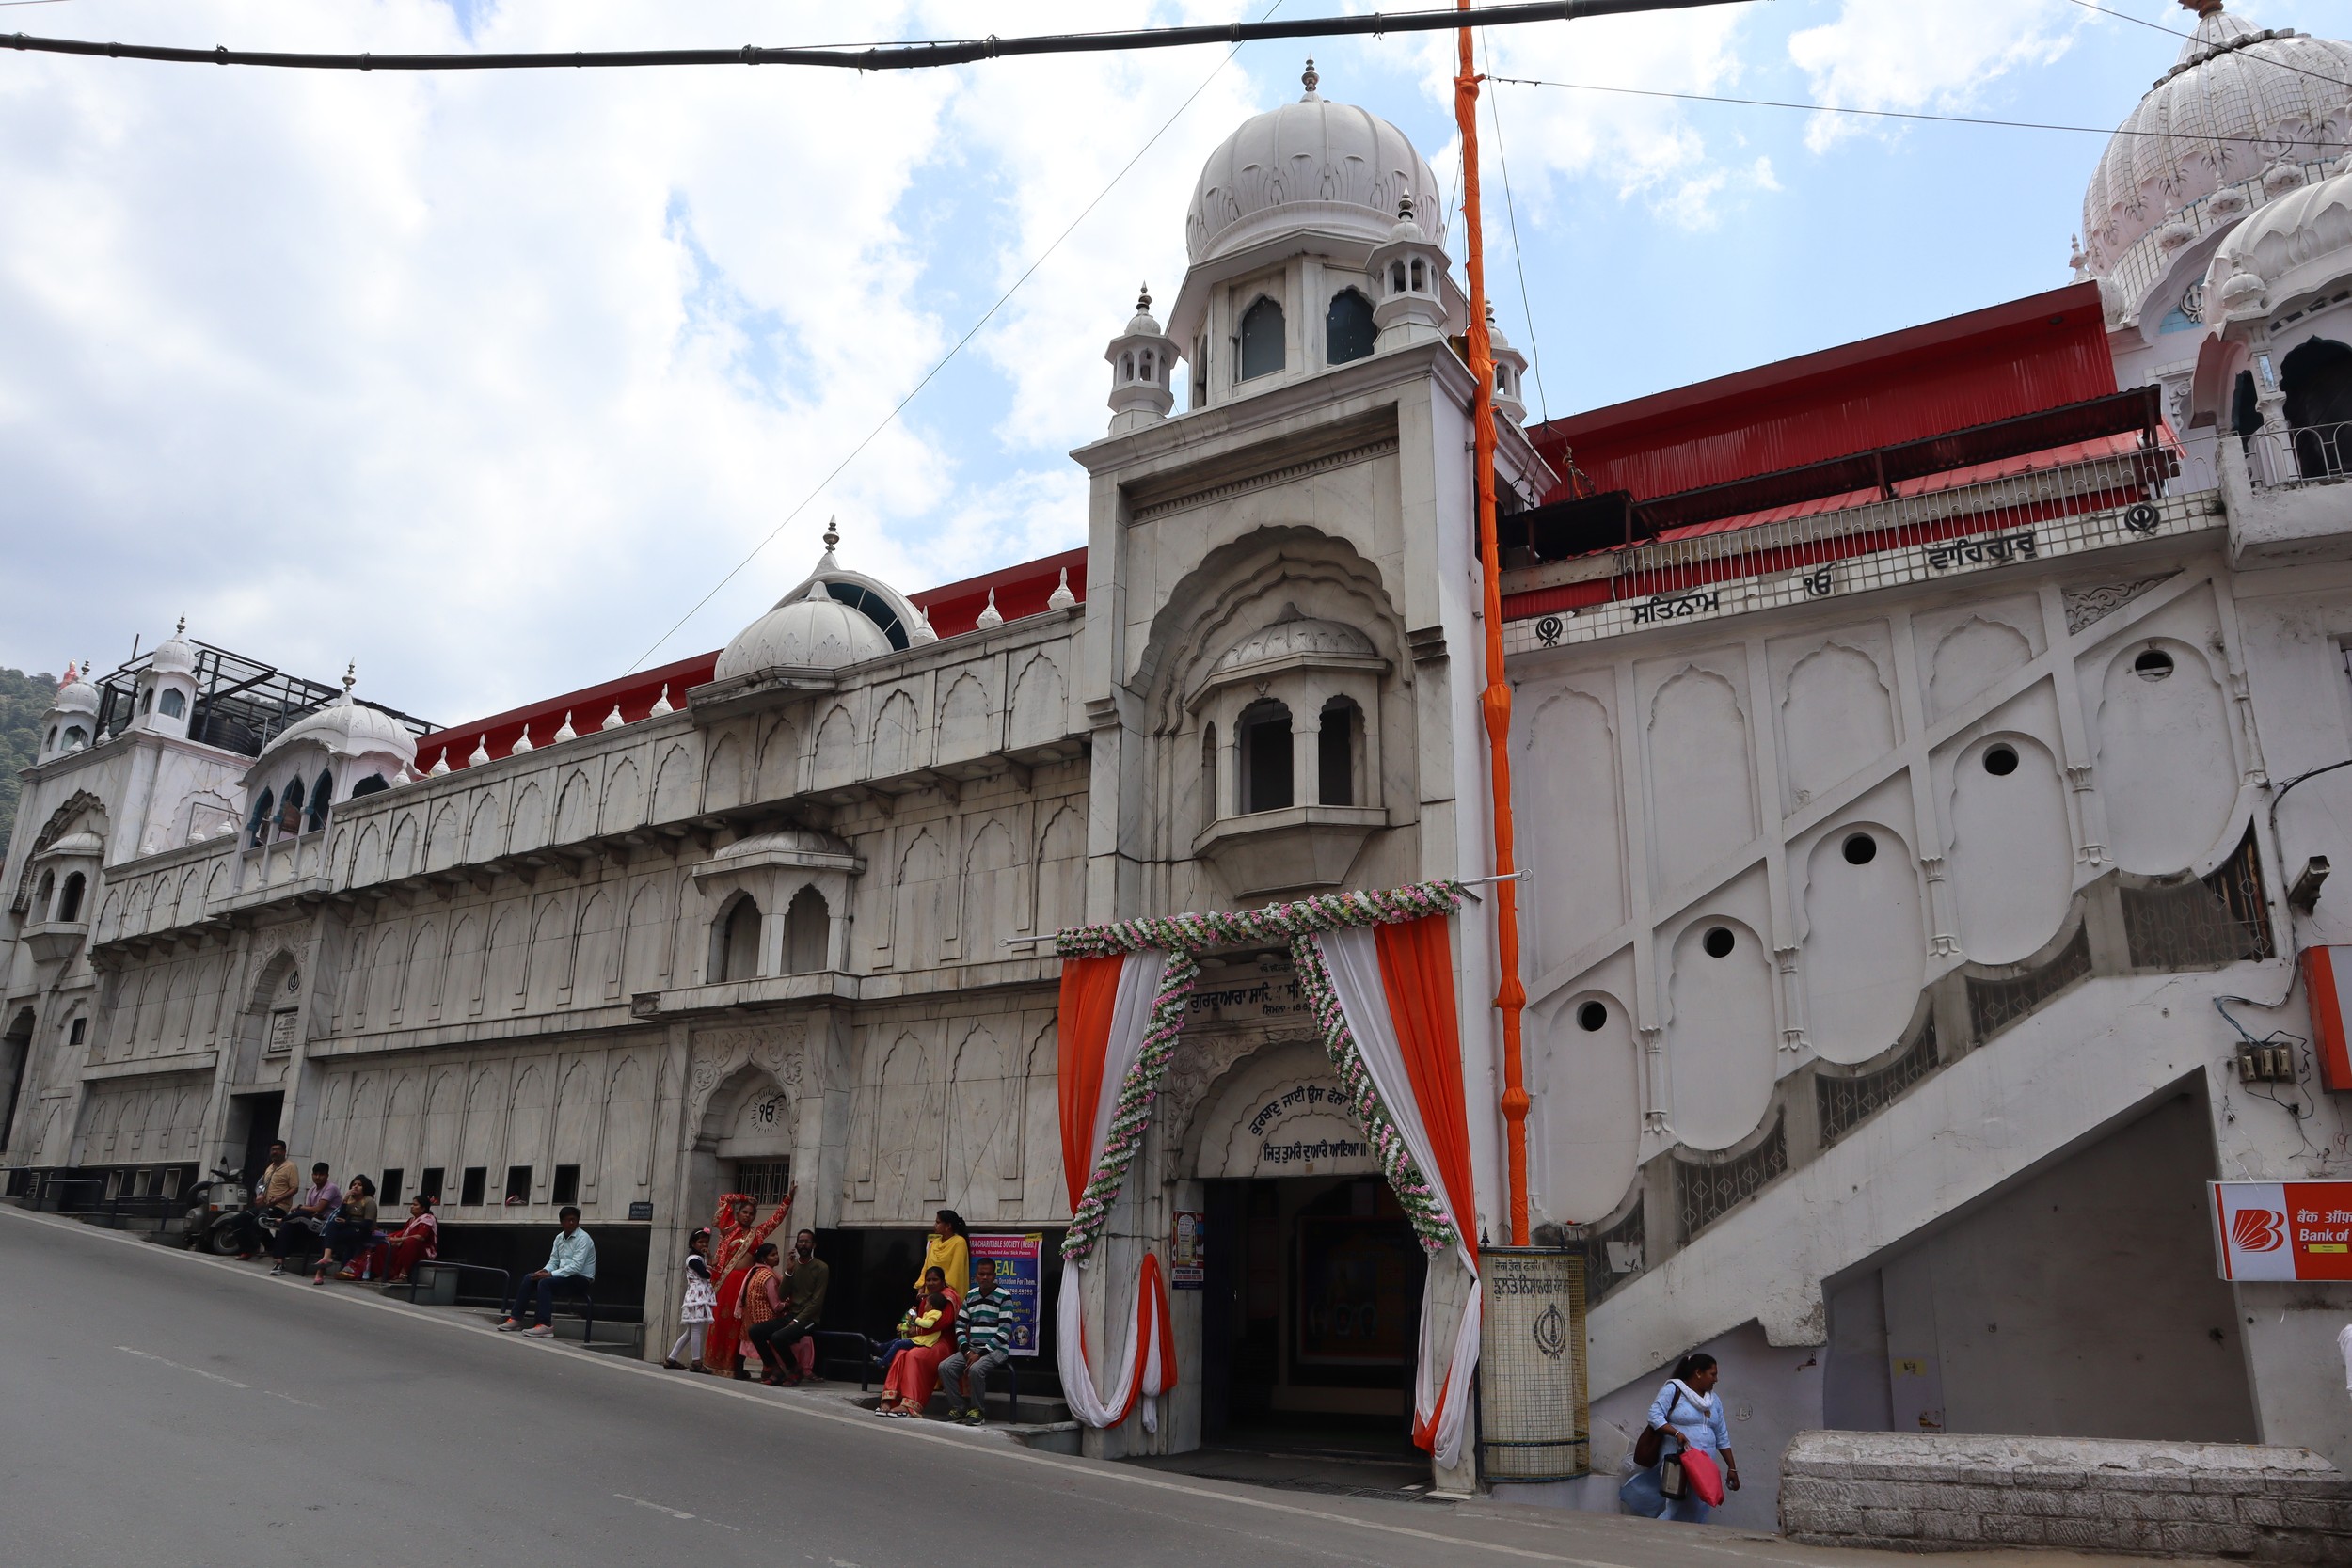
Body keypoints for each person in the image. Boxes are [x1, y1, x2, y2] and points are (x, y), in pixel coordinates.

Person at [1619, 1353, 1740, 1523]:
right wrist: (1676, 1433)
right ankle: (1662, 1537)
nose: (1716, 1379)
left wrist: (1732, 1468)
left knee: (1700, 1505)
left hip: (1704, 1466)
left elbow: (1722, 1435)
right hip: (1678, 1462)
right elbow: (1655, 1416)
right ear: (1698, 1373)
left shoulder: (1715, 1401)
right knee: (1675, 1503)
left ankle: (1690, 1541)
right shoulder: (1673, 1390)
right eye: (1712, 1374)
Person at [706, 1189, 793, 1379]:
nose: (748, 1216)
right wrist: (745, 1198)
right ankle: (714, 1363)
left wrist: (787, 1199)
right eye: (745, 1212)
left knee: (742, 1327)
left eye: (752, 1213)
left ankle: (736, 1366)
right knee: (722, 1321)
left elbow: (776, 1219)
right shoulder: (727, 1228)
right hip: (727, 1282)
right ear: (737, 1214)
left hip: (747, 1284)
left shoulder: (758, 1233)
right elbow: (723, 1198)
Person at [497, 1207, 596, 1338]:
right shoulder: (559, 1238)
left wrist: (550, 1275)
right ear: (562, 1222)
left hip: (581, 1279)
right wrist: (545, 1270)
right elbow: (554, 1261)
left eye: (574, 1220)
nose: (572, 1223)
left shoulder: (584, 1239)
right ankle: (516, 1319)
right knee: (529, 1278)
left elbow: (576, 1266)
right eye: (568, 1220)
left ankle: (545, 1325)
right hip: (563, 1277)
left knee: (545, 1283)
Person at [939, 1256, 1013, 1426]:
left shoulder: (1004, 1296)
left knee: (975, 1369)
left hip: (997, 1350)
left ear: (995, 1276)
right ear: (976, 1276)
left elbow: (1004, 1331)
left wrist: (980, 1354)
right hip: (972, 1349)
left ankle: (977, 1411)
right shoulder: (971, 1295)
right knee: (945, 1367)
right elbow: (959, 1326)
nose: (985, 1277)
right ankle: (959, 1408)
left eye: (988, 1274)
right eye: (981, 1274)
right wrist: (967, 1351)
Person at [748, 1229, 829, 1386]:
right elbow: (782, 1294)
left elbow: (816, 1302)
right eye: (800, 1241)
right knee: (755, 1331)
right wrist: (789, 1272)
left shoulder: (821, 1268)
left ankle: (794, 1370)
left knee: (778, 1337)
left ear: (814, 1245)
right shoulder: (794, 1266)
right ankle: (775, 1368)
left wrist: (797, 1319)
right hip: (791, 1315)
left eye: (807, 1241)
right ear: (796, 1245)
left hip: (809, 1319)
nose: (803, 1244)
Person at [875, 1282, 956, 1418]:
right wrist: (905, 1327)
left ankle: (909, 1405)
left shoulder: (948, 1298)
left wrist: (917, 1329)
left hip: (939, 1343)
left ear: (942, 1281)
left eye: (934, 1279)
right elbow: (913, 1322)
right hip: (921, 1340)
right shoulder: (925, 1299)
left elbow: (942, 1322)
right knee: (900, 1353)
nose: (931, 1283)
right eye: (928, 1279)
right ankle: (889, 1399)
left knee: (913, 1355)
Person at [268, 1163, 341, 1276]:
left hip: (325, 1225)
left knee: (299, 1213)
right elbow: (311, 1210)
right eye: (315, 1174)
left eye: (321, 1174)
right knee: (288, 1226)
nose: (317, 1177)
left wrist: (300, 1207)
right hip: (313, 1221)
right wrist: (303, 1210)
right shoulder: (312, 1190)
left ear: (327, 1175)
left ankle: (280, 1220)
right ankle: (279, 1263)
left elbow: (318, 1208)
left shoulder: (331, 1188)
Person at [665, 1228, 717, 1372]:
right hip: (697, 1297)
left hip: (696, 1295)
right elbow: (705, 1275)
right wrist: (711, 1264)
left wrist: (709, 1258)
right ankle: (696, 1362)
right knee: (696, 1330)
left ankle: (671, 1358)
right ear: (693, 1243)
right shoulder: (694, 1259)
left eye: (706, 1242)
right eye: (700, 1242)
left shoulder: (698, 1258)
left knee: (690, 1331)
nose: (703, 1244)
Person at [733, 1243, 786, 1383]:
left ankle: (764, 1370)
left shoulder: (753, 1271)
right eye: (772, 1255)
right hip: (765, 1318)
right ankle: (778, 1369)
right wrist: (788, 1304)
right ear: (763, 1258)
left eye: (776, 1253)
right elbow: (776, 1305)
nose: (777, 1257)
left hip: (749, 1317)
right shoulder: (769, 1276)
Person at [238, 1140, 299, 1259]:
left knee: (258, 1222)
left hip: (279, 1207)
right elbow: (263, 1184)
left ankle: (271, 1247)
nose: (275, 1152)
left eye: (278, 1149)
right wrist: (260, 1194)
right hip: (265, 1206)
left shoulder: (290, 1167)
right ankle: (248, 1249)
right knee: (238, 1219)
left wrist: (278, 1199)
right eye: (273, 1150)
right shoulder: (270, 1168)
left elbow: (294, 1188)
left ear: (284, 1152)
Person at [313, 1174, 377, 1284]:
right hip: (349, 1228)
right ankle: (326, 1258)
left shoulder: (368, 1201)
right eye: (354, 1184)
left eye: (359, 1185)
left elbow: (367, 1225)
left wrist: (347, 1222)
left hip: (362, 1231)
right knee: (331, 1227)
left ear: (365, 1187)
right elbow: (340, 1218)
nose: (356, 1187)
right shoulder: (350, 1200)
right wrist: (345, 1200)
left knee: (330, 1238)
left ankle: (320, 1271)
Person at [382, 1196, 438, 1284]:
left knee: (410, 1242)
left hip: (423, 1250)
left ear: (423, 1208)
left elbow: (421, 1237)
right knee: (386, 1244)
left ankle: (403, 1275)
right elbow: (405, 1233)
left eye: (415, 1205)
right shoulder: (411, 1220)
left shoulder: (428, 1218)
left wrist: (399, 1239)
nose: (412, 1206)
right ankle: (384, 1274)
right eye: (412, 1204)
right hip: (407, 1246)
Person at [916, 1209, 969, 1300]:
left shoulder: (959, 1242)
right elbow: (926, 1268)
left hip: (948, 1296)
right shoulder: (934, 1243)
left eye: (938, 1222)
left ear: (948, 1225)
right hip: (929, 1295)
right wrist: (921, 1288)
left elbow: (955, 1272)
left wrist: (940, 1293)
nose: (935, 1225)